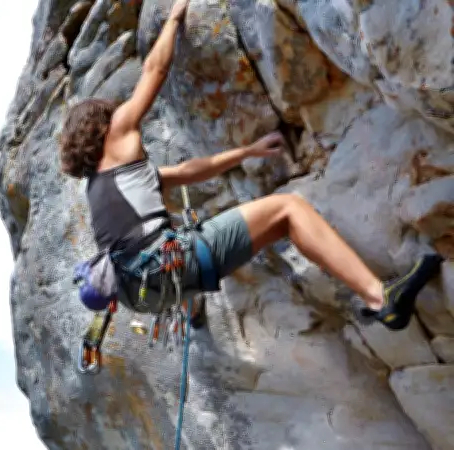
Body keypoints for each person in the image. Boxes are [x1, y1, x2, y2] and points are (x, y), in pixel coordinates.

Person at [58, 0, 443, 331]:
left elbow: (190, 172)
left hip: (143, 294)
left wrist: (247, 152)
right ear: (101, 127)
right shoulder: (117, 135)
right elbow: (154, 72)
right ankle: (381, 299)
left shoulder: (104, 187)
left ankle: (191, 304)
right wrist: (174, 19)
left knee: (247, 225)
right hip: (168, 266)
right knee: (289, 208)